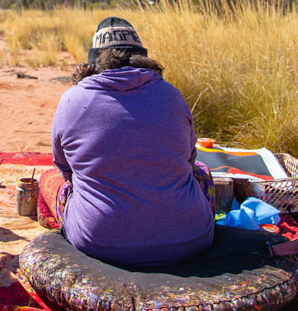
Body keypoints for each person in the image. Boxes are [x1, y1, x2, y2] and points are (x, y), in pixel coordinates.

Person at [39, 16, 215, 267]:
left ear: (95, 61)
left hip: (100, 243)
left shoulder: (72, 101)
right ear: (141, 57)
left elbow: (66, 170)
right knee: (203, 173)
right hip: (191, 239)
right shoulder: (172, 95)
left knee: (50, 180)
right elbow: (189, 161)